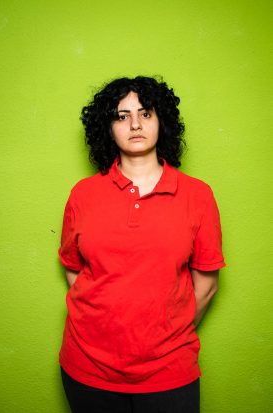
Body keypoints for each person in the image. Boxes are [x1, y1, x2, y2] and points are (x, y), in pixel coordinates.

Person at [58, 76, 226, 413]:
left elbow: (206, 285)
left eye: (146, 113)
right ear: (108, 128)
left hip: (169, 369)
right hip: (86, 367)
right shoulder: (83, 193)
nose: (135, 124)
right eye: (122, 116)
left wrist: (162, 335)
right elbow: (74, 269)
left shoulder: (198, 195)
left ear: (161, 121)